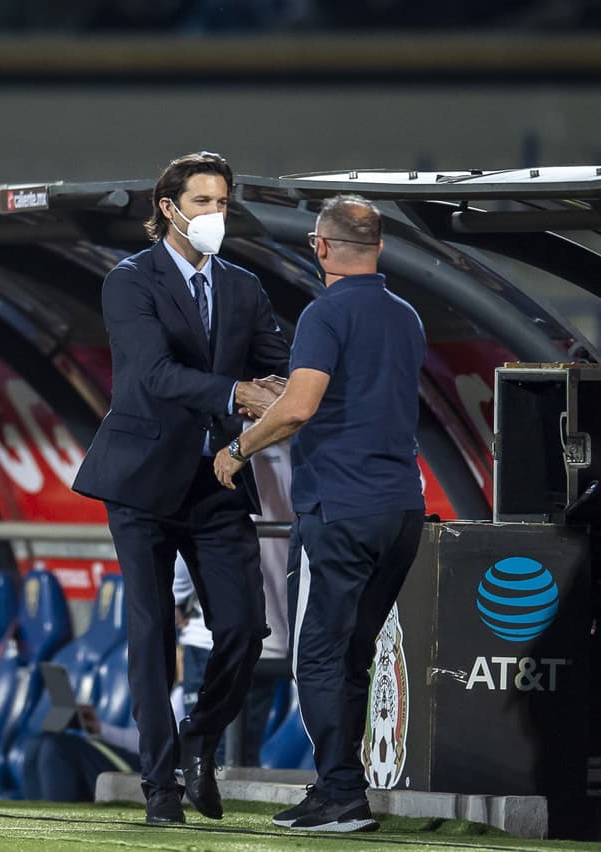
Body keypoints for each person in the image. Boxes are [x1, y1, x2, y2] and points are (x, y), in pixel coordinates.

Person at [71, 151, 290, 825]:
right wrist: (236, 390)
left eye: (222, 203)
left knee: (246, 629)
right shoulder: (129, 282)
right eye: (202, 203)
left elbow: (280, 365)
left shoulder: (245, 287)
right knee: (149, 630)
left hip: (217, 476)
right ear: (168, 209)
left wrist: (281, 391)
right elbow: (153, 374)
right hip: (139, 481)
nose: (214, 216)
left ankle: (198, 734)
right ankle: (160, 786)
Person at [214, 194, 426, 833]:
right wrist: (288, 397)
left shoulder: (323, 312)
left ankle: (340, 796)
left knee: (321, 657)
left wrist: (238, 448)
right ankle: (338, 787)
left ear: (321, 246)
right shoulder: (406, 315)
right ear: (380, 247)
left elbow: (303, 407)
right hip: (401, 510)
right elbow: (355, 394)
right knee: (353, 654)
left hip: (339, 509)